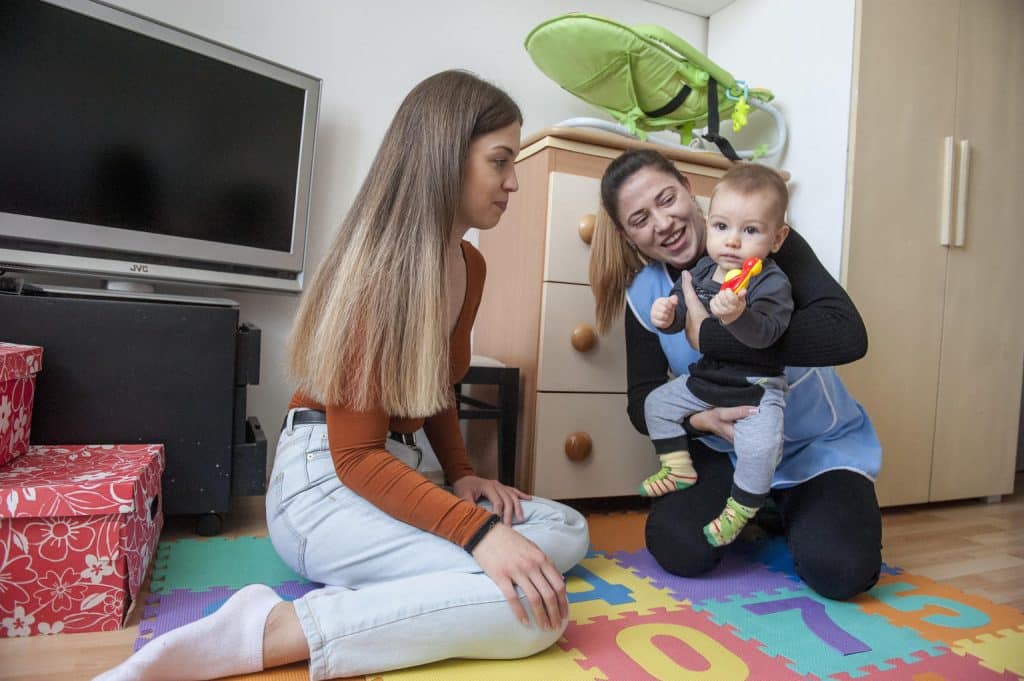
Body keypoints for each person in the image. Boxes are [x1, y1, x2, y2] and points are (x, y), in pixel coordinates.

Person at [96, 70, 589, 681]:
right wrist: (480, 536)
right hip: (325, 485)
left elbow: (433, 384)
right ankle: (272, 630)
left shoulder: (470, 264)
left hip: (396, 468)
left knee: (566, 530)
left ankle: (407, 587)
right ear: (445, 158)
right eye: (500, 161)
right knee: (531, 612)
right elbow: (355, 457)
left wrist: (462, 475)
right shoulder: (380, 271)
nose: (513, 180)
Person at [589, 148, 882, 601]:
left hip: (813, 446)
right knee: (678, 547)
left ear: (689, 189)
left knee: (842, 572)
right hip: (724, 449)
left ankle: (785, 506)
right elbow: (641, 400)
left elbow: (847, 335)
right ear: (627, 235)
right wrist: (699, 421)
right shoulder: (646, 294)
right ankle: (759, 506)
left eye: (666, 199)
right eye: (640, 219)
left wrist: (710, 336)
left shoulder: (764, 244)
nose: (663, 223)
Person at [642, 164, 793, 549]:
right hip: (707, 380)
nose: (733, 242)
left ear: (777, 238)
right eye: (722, 227)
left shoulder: (770, 281)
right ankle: (677, 467)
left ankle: (742, 507)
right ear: (709, 225)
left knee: (760, 446)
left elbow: (768, 334)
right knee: (656, 403)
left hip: (755, 387)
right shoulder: (704, 269)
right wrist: (667, 316)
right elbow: (681, 309)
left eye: (751, 231)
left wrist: (739, 316)